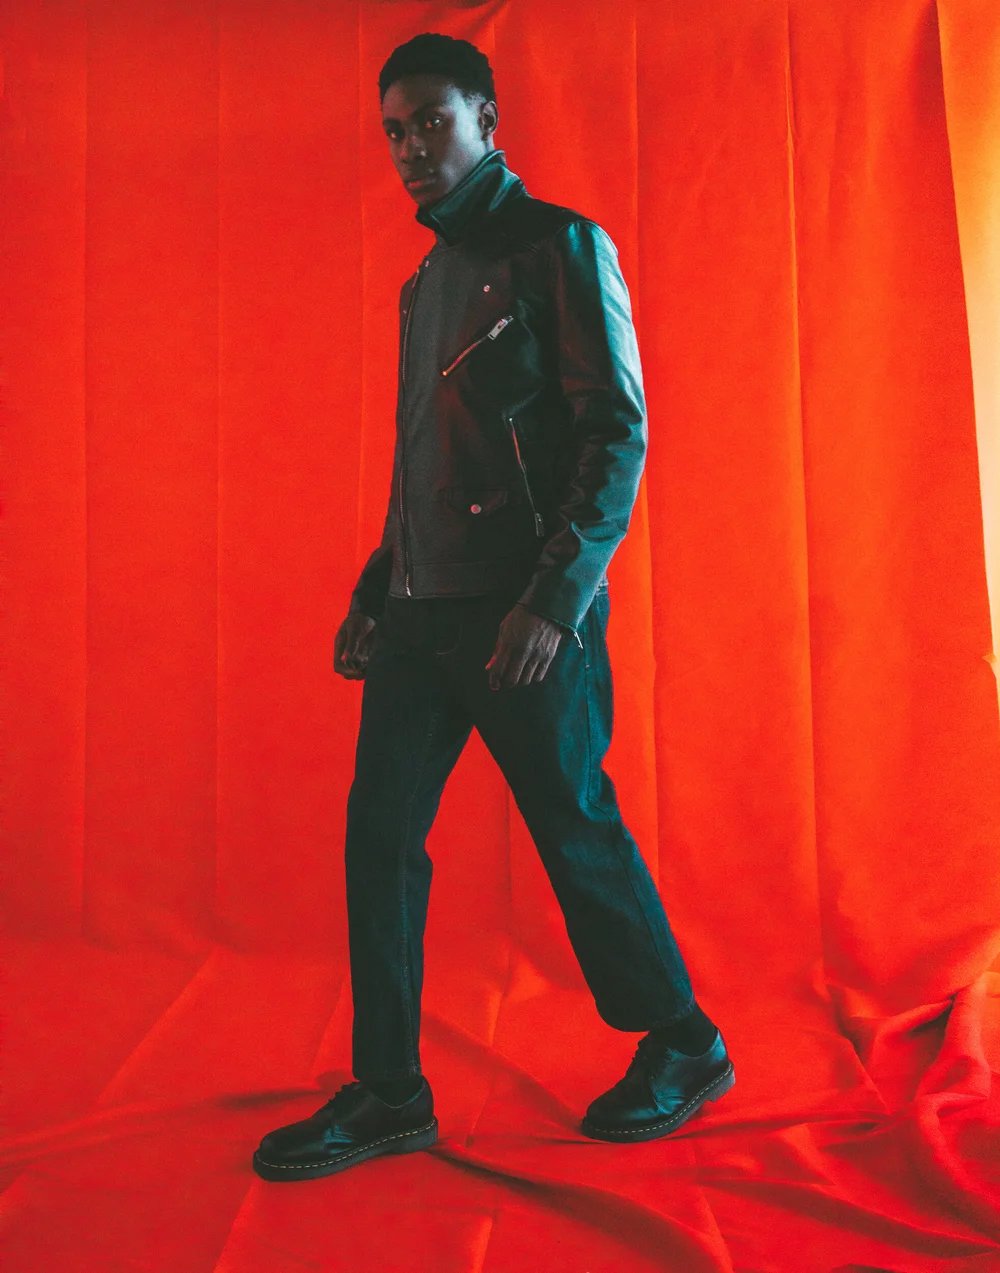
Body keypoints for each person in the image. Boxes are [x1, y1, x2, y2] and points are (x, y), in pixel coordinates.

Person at [252, 32, 734, 1183]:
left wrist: (553, 602)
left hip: (525, 616)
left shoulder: (559, 244)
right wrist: (380, 584)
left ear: (487, 118)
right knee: (377, 840)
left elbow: (617, 433)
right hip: (423, 613)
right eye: (393, 132)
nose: (411, 149)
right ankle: (387, 1091)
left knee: (572, 826)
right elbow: (428, 455)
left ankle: (685, 1041)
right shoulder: (423, 282)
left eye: (430, 121)